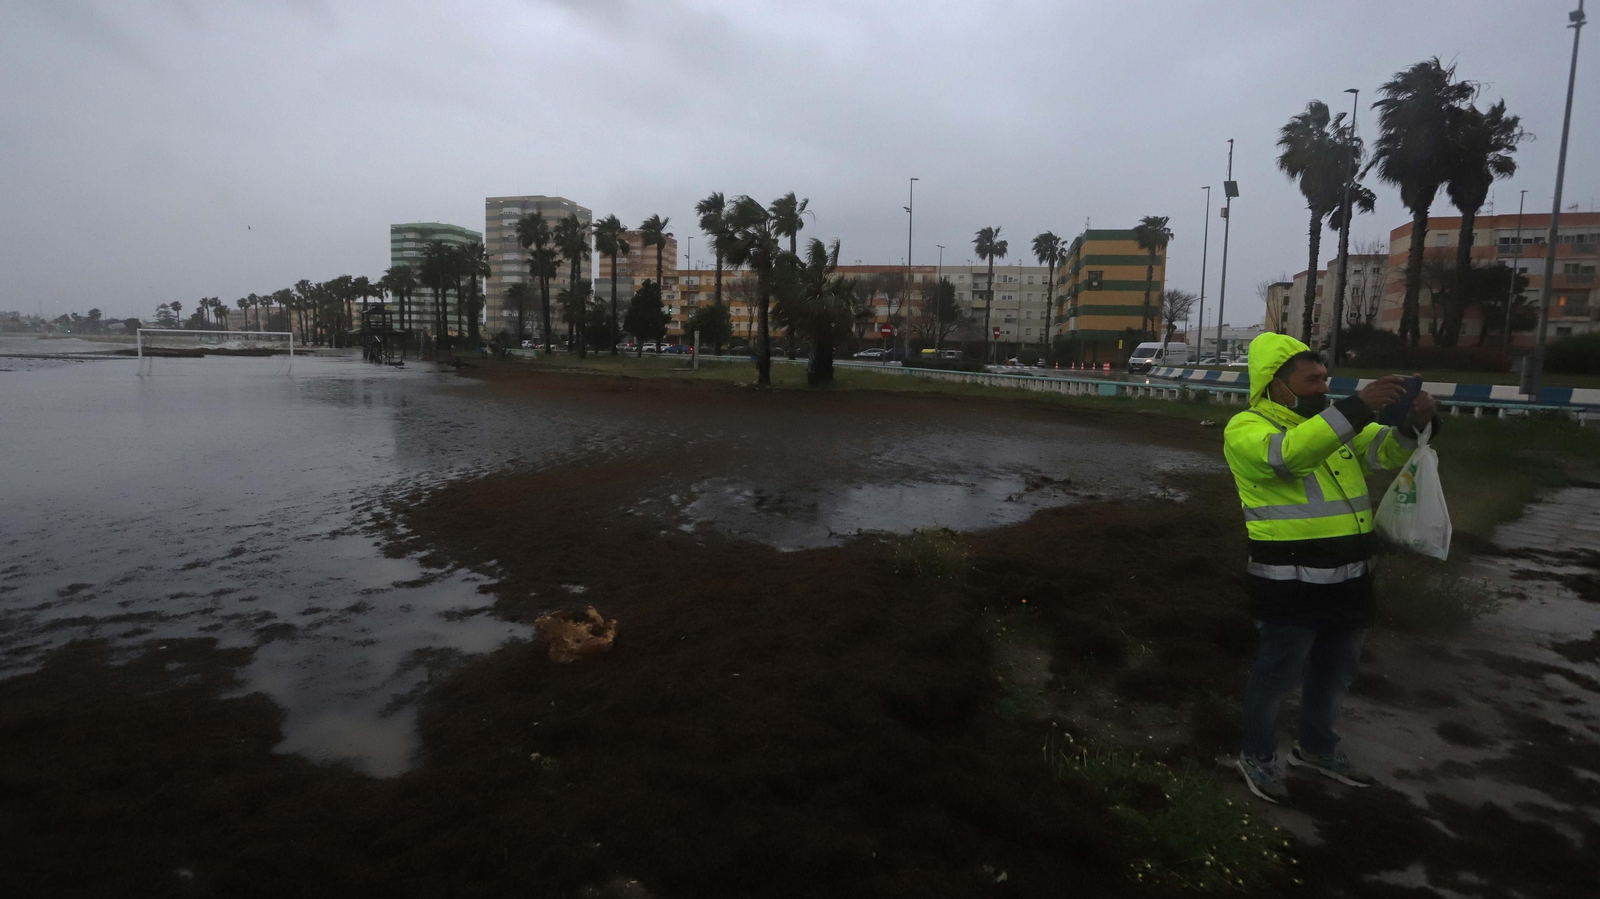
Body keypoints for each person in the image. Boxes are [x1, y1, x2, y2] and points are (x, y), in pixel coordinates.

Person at [1223, 332, 1437, 805]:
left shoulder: (1334, 424)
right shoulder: (1247, 427)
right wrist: (1355, 407)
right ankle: (1257, 756)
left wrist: (1413, 423)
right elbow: (1289, 456)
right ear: (1275, 385)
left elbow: (1385, 453)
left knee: (1335, 671)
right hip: (1290, 580)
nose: (1323, 386)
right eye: (1311, 378)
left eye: (1326, 378)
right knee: (1277, 675)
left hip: (1350, 575)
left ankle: (1316, 749)